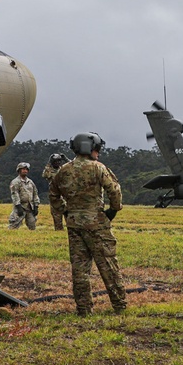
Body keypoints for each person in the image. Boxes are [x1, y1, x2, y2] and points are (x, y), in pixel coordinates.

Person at [50, 132, 126, 316]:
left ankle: (84, 309)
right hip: (96, 223)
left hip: (74, 224)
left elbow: (53, 195)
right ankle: (119, 305)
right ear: (89, 148)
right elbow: (114, 190)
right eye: (96, 149)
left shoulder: (63, 170)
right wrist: (113, 210)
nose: (98, 153)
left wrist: (66, 211)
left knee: (80, 269)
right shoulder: (98, 168)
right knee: (108, 264)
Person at [8, 162, 40, 230]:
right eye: (23, 169)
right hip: (20, 206)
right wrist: (18, 206)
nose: (25, 171)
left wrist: (36, 205)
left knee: (32, 225)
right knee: (14, 224)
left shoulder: (30, 182)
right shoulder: (15, 182)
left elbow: (35, 193)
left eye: (26, 169)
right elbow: (14, 194)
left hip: (30, 207)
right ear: (19, 170)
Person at [42, 153, 70, 230]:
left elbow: (74, 167)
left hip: (65, 194)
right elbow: (44, 175)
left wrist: (66, 159)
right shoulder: (49, 171)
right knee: (57, 216)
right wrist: (49, 163)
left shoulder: (63, 169)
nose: (57, 163)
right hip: (55, 196)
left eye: (59, 161)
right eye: (55, 161)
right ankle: (59, 231)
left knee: (69, 215)